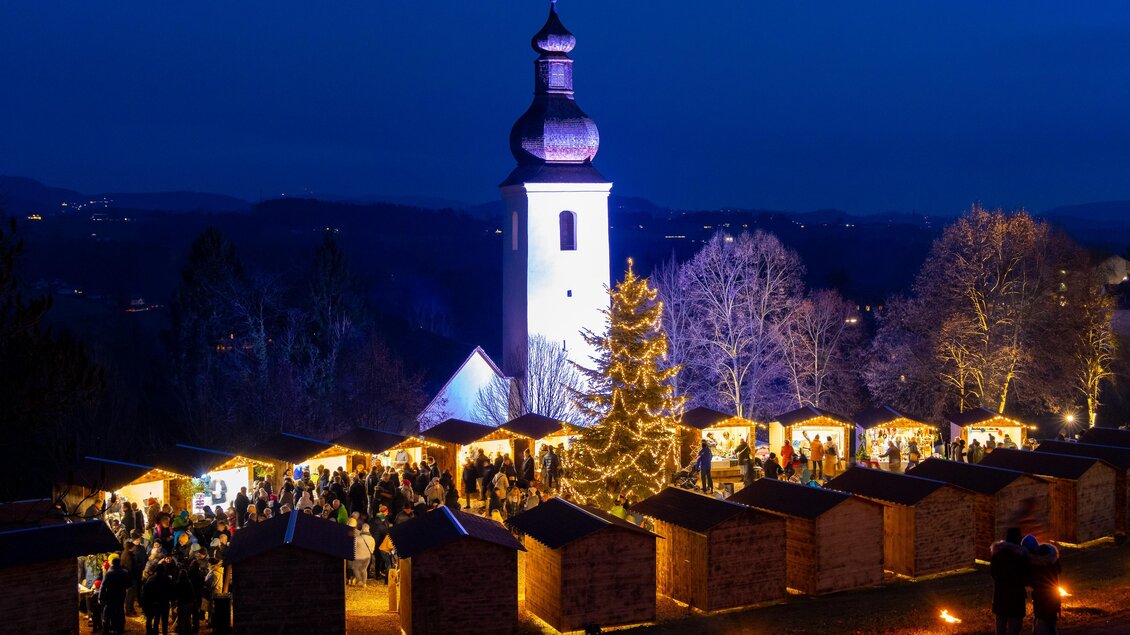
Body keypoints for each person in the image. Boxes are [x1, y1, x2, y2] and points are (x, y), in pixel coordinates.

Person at [990, 528, 1030, 635]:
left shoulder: (996, 555)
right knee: (1014, 628)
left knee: (1000, 627)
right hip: (1016, 597)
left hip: (1000, 596)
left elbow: (993, 574)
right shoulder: (1021, 557)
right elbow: (1026, 578)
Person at [1024, 535, 1061, 635]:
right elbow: (1059, 570)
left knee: (1043, 625)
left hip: (1042, 599)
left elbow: (1029, 581)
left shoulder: (1036, 564)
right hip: (1054, 596)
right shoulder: (1052, 556)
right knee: (1050, 625)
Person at [99, 554, 131, 635]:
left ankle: (105, 630)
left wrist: (100, 597)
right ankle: (120, 629)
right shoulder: (125, 572)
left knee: (107, 612)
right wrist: (123, 586)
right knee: (120, 611)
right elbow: (129, 584)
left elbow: (103, 586)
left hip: (110, 595)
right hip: (121, 595)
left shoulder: (109, 573)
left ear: (112, 563)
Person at [143, 559, 173, 635]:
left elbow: (145, 592)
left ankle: (153, 632)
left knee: (155, 620)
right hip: (164, 603)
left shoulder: (150, 579)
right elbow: (171, 591)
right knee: (164, 621)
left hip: (153, 602)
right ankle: (164, 633)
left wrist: (145, 604)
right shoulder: (167, 579)